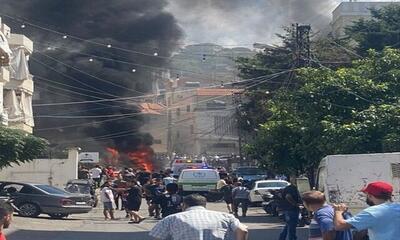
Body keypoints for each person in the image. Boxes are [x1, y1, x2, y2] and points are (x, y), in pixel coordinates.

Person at [149, 194, 248, 240]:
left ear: (184, 205)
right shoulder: (226, 216)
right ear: (204, 205)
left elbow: (159, 237)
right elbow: (243, 230)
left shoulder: (171, 218)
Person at [333, 181, 400, 240]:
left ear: (370, 196)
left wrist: (338, 211)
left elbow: (339, 226)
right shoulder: (398, 207)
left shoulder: (372, 212)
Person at [279, 176, 302, 240]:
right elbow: (288, 196)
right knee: (292, 226)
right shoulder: (290, 188)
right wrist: (296, 204)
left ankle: (282, 238)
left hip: (292, 209)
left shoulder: (295, 188)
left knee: (288, 225)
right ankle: (292, 238)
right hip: (290, 209)